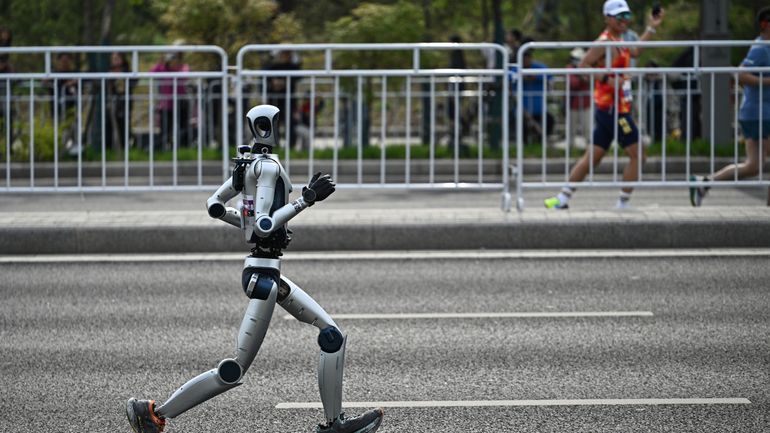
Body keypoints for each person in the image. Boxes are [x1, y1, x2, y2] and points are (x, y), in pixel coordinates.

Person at [125, 104, 384, 433]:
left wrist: (253, 218)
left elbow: (216, 207)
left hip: (268, 271)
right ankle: (154, 414)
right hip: (263, 277)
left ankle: (335, 424)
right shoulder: (267, 167)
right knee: (233, 370)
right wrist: (306, 199)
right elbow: (263, 224)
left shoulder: (247, 164)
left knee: (331, 335)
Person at [544, 0, 663, 210]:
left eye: (626, 16)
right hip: (614, 111)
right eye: (619, 17)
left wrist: (652, 27)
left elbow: (635, 52)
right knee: (639, 156)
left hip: (611, 109)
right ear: (607, 19)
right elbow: (582, 66)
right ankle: (623, 203)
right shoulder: (604, 42)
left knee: (592, 158)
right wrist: (607, 79)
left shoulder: (619, 39)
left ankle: (562, 198)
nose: (624, 21)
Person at [690, 7, 770, 207]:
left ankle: (704, 183)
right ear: (765, 25)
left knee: (753, 166)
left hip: (756, 113)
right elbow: (741, 74)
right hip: (759, 113)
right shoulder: (760, 47)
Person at [511, 37, 554, 144]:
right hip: (521, 109)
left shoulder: (539, 67)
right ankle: (523, 145)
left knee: (550, 120)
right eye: (524, 57)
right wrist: (523, 76)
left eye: (528, 57)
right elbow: (509, 77)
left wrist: (535, 76)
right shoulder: (516, 68)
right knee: (519, 124)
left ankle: (540, 142)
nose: (526, 59)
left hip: (538, 109)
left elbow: (549, 76)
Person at [150, 47, 190, 149]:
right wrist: (161, 62)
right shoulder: (162, 68)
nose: (173, 59)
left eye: (175, 57)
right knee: (165, 128)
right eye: (171, 57)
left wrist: (176, 67)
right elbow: (152, 72)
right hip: (166, 104)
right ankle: (164, 147)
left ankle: (183, 147)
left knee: (183, 127)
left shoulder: (183, 67)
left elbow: (185, 76)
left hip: (181, 103)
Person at [106, 52, 135, 151]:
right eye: (113, 58)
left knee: (123, 125)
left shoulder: (127, 71)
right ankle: (107, 148)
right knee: (108, 125)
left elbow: (133, 82)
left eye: (117, 58)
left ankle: (124, 147)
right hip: (111, 102)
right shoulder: (108, 71)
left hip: (124, 102)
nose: (115, 60)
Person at [566, 47, 592, 149]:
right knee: (572, 127)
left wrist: (582, 75)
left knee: (587, 127)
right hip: (573, 103)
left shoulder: (588, 68)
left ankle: (589, 147)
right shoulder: (569, 69)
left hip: (586, 103)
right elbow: (573, 83)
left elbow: (590, 80)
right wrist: (580, 76)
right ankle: (570, 147)